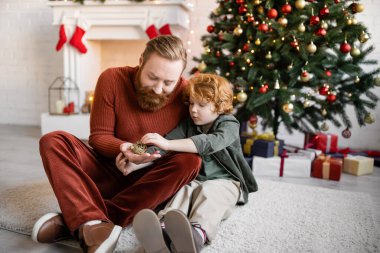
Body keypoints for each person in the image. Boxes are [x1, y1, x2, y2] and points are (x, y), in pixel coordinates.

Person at [32, 35, 202, 253]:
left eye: (169, 83)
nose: (159, 89)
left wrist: (143, 160)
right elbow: (99, 136)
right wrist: (124, 149)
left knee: (190, 161)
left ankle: (86, 220)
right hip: (106, 170)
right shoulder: (112, 78)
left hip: (147, 181)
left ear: (180, 77)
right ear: (141, 61)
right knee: (53, 140)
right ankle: (95, 222)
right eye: (152, 77)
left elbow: (187, 142)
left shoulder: (187, 94)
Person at [130, 73, 258, 253]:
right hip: (196, 179)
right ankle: (164, 230)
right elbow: (165, 145)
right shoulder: (188, 124)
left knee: (211, 195)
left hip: (227, 181)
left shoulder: (229, 124)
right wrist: (137, 160)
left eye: (202, 105)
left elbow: (208, 142)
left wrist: (167, 144)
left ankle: (197, 234)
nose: (193, 110)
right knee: (184, 190)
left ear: (219, 107)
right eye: (191, 103)